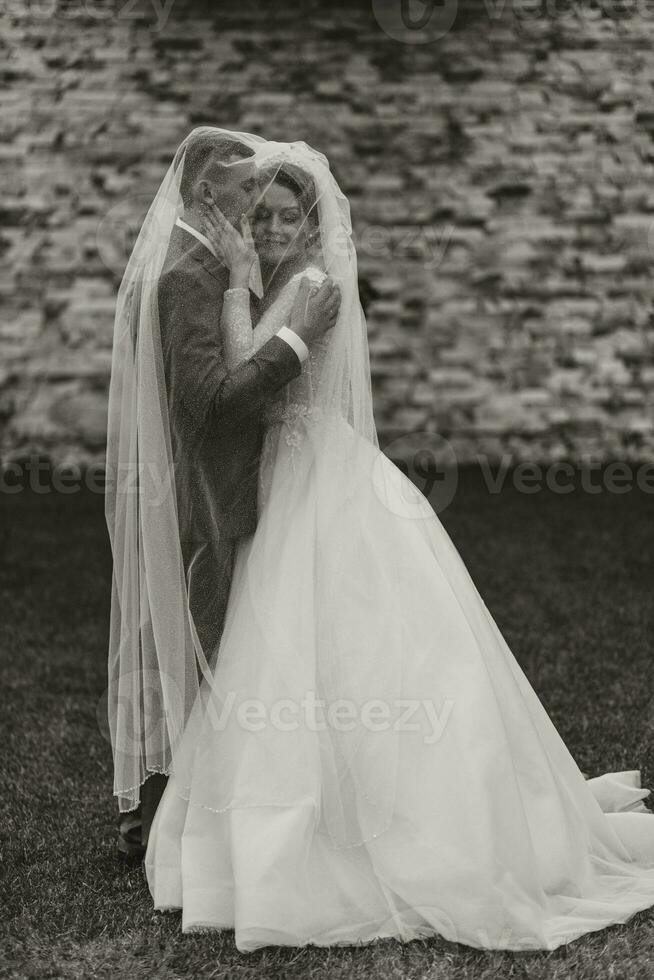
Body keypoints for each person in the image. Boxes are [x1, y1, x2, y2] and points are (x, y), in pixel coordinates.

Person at [141, 133, 654, 954]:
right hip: (280, 480)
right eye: (258, 212)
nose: (267, 227)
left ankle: (381, 828)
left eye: (283, 215)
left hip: (321, 476)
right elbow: (235, 373)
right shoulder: (262, 280)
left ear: (311, 224)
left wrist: (262, 307)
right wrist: (240, 284)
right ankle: (286, 820)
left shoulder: (316, 287)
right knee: (276, 650)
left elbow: (258, 378)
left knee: (352, 646)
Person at [105, 128, 340, 860]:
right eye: (247, 192)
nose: (257, 207)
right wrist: (295, 341)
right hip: (204, 487)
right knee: (194, 639)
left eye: (276, 205)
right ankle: (157, 812)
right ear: (210, 191)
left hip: (247, 476)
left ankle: (180, 802)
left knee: (217, 642)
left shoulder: (219, 265)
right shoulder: (187, 274)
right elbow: (207, 400)